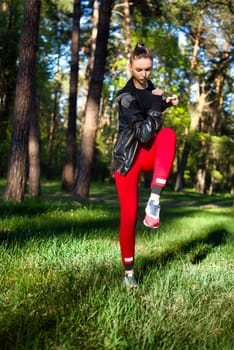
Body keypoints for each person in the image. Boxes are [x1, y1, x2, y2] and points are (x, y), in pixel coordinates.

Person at [112, 42, 178, 289]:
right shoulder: (124, 97)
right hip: (128, 159)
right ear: (130, 67)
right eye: (139, 70)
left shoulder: (150, 89)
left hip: (147, 154)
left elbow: (154, 119)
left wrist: (165, 104)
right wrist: (155, 105)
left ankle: (154, 200)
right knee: (128, 217)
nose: (144, 74)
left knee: (169, 134)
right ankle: (129, 272)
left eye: (148, 69)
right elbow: (143, 133)